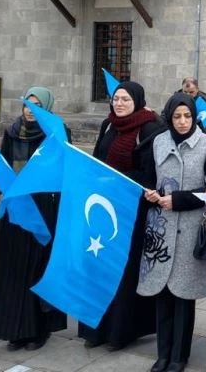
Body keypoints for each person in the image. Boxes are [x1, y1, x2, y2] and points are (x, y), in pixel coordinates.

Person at [138, 93, 206, 372]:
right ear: (170, 117)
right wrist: (149, 192)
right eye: (177, 116)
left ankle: (179, 356)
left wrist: (178, 200)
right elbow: (148, 177)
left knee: (183, 297)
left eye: (187, 116)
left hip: (190, 228)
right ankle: (162, 354)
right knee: (162, 294)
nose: (183, 121)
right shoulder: (158, 142)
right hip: (161, 229)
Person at [78, 81, 163, 350]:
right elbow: (97, 160)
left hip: (131, 212)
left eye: (125, 99)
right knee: (99, 266)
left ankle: (120, 333)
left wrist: (115, 181)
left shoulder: (150, 128)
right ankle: (96, 330)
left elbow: (151, 174)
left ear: (137, 100)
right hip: (102, 209)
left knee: (124, 273)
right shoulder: (108, 125)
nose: (119, 103)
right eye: (116, 98)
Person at [0, 87, 68, 351]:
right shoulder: (12, 132)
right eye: (26, 104)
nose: (29, 110)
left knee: (38, 265)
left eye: (36, 105)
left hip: (44, 207)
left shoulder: (56, 132)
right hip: (17, 206)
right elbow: (4, 165)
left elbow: (64, 169)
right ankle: (14, 328)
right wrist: (4, 190)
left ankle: (38, 329)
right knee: (13, 267)